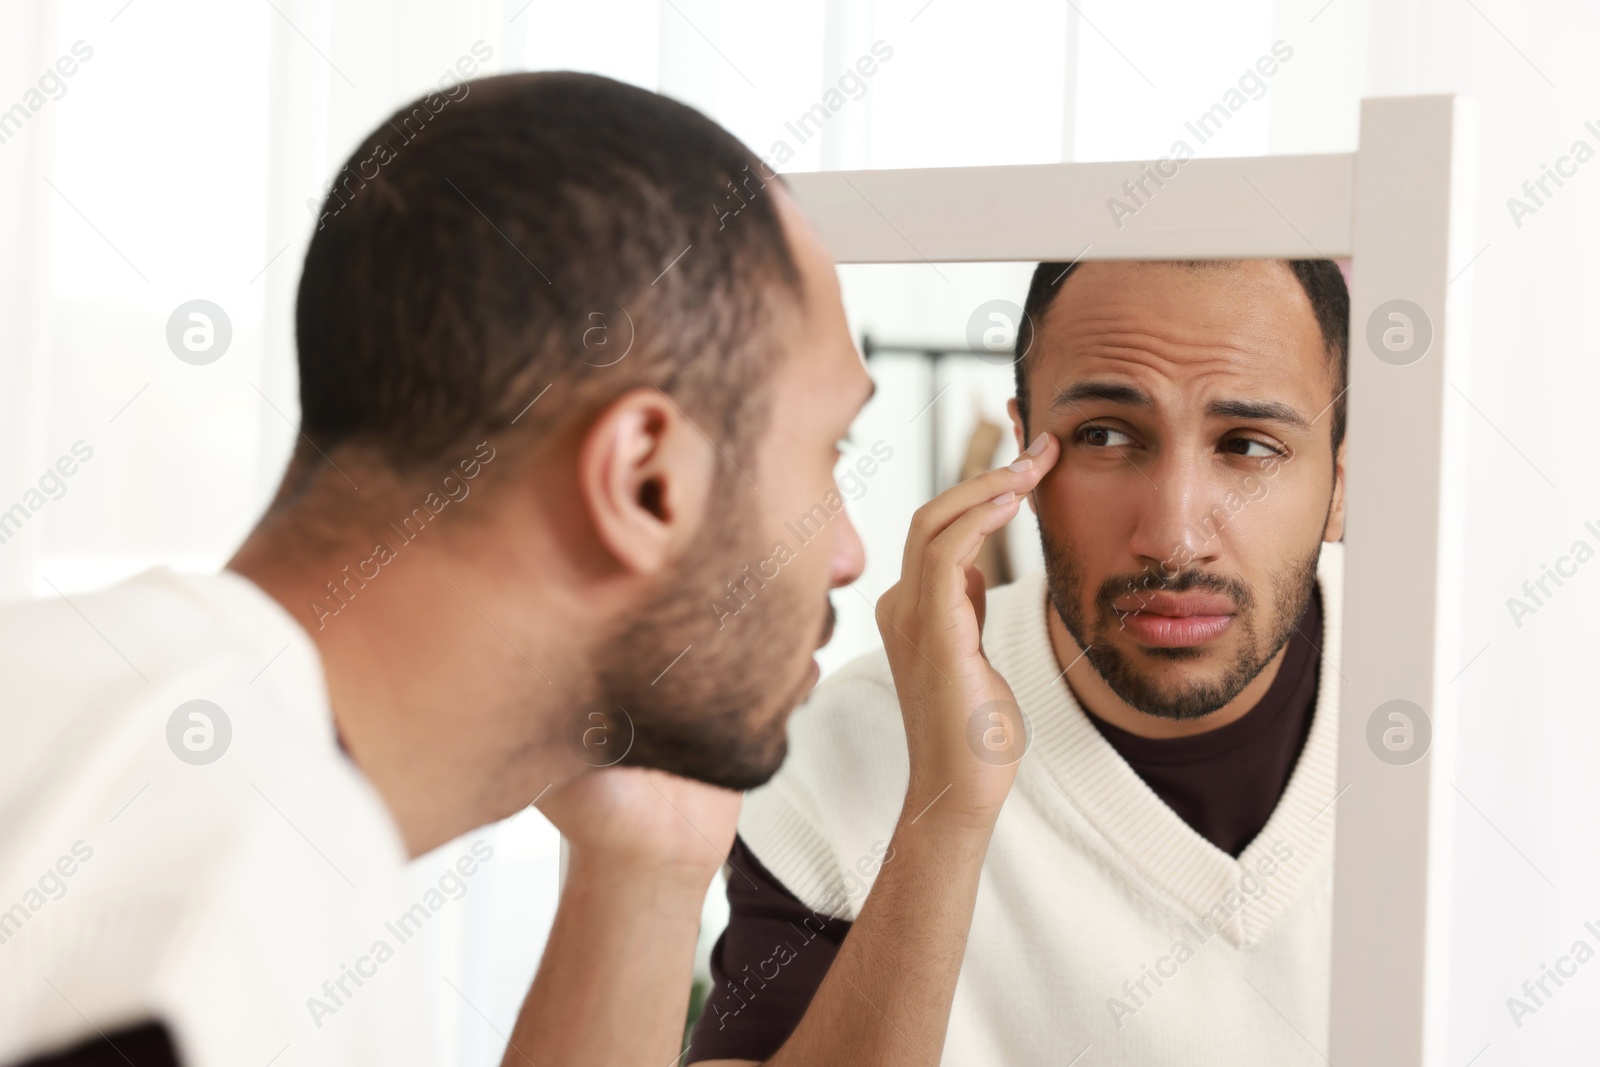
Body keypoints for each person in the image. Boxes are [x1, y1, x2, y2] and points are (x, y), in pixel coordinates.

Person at [0, 70, 889, 1067]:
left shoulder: (138, 747)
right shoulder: (216, 924)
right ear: (645, 482)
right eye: (829, 454)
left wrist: (648, 862)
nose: (848, 552)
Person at [690, 258, 1351, 1066]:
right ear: (1023, 460)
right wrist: (946, 803)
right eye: (1105, 436)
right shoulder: (840, 751)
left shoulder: (1468, 699)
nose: (1175, 537)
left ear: (1343, 478)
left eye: (1249, 445)